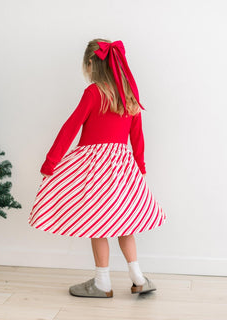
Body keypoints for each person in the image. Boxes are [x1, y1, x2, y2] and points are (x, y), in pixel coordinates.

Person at [28, 38, 167, 298]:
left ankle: (102, 282)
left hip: (95, 169)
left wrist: (51, 161)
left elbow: (71, 127)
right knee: (126, 224)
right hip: (123, 167)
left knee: (98, 223)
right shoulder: (129, 93)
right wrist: (140, 167)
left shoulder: (94, 92)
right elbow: (138, 136)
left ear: (92, 63)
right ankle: (138, 277)